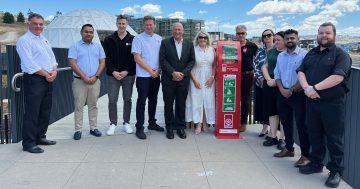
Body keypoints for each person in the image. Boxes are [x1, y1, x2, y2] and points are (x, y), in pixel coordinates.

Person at [298, 22, 351, 188]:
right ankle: (316, 163)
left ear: (334, 35)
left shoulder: (341, 54)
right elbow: (301, 71)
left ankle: (335, 171)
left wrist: (314, 88)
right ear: (317, 35)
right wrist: (307, 88)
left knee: (334, 139)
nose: (324, 36)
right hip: (312, 102)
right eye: (321, 33)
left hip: (332, 104)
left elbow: (338, 77)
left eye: (327, 33)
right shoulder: (311, 53)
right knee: (315, 134)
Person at [16, 13, 58, 153]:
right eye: (35, 24)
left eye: (41, 24)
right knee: (32, 112)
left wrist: (54, 70)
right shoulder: (24, 41)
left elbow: (52, 58)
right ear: (29, 24)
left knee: (45, 110)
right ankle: (28, 143)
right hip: (34, 79)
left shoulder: (43, 39)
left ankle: (40, 137)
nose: (38, 26)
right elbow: (29, 63)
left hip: (47, 78)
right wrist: (46, 74)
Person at [272, 29, 310, 168]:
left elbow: (306, 75)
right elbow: (277, 74)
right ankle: (289, 148)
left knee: (302, 125)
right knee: (286, 123)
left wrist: (292, 89)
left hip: (298, 94)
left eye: (292, 38)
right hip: (282, 94)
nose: (289, 41)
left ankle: (305, 155)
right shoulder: (281, 56)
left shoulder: (304, 55)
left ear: (297, 39)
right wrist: (282, 89)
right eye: (287, 38)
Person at [68, 24, 106, 140]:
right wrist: (84, 76)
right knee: (79, 106)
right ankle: (78, 130)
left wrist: (96, 76)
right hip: (80, 81)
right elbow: (72, 63)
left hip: (95, 81)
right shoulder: (75, 46)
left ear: (93, 34)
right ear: (81, 33)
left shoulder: (98, 46)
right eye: (86, 32)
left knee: (93, 105)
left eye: (91, 32)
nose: (88, 34)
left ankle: (93, 128)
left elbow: (102, 62)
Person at [160, 22, 195, 139]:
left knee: (181, 104)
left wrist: (183, 73)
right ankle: (169, 128)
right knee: (168, 105)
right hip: (168, 80)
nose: (177, 32)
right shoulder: (165, 43)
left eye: (179, 29)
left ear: (183, 31)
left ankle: (180, 127)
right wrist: (173, 73)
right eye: (175, 29)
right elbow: (162, 60)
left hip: (183, 80)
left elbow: (192, 61)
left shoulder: (189, 44)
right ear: (172, 31)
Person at [131, 15, 164, 140]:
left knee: (153, 100)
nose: (149, 27)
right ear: (143, 26)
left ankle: (152, 123)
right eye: (147, 25)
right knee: (141, 101)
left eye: (151, 24)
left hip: (156, 75)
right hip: (143, 76)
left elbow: (162, 57)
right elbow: (137, 58)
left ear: (154, 25)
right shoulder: (138, 39)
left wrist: (159, 70)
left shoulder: (159, 39)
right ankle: (139, 127)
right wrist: (151, 71)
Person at [103, 15, 136, 135]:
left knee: (127, 99)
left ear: (126, 24)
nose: (121, 25)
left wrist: (127, 71)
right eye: (119, 23)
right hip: (113, 75)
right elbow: (106, 58)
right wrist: (113, 71)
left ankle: (126, 122)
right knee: (112, 100)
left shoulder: (133, 39)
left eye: (123, 23)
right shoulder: (108, 39)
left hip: (129, 75)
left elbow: (135, 59)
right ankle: (113, 123)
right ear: (116, 24)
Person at [185, 30, 216, 135]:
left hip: (209, 78)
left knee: (207, 99)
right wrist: (194, 80)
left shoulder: (212, 49)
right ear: (197, 39)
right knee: (197, 100)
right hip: (196, 77)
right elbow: (189, 66)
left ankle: (205, 123)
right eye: (200, 37)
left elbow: (214, 65)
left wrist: (212, 77)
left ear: (208, 39)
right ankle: (198, 124)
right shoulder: (192, 49)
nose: (203, 39)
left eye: (205, 37)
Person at [261, 31, 286, 150]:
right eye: (275, 40)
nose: (275, 42)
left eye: (278, 40)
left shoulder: (288, 53)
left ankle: (283, 138)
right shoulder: (271, 51)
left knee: (283, 112)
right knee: (272, 111)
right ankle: (272, 135)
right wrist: (268, 79)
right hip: (269, 83)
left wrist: (275, 81)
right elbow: (264, 66)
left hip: (282, 84)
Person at [235, 25, 258, 132]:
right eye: (238, 33)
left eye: (242, 33)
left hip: (247, 75)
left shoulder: (252, 46)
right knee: (233, 99)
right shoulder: (233, 45)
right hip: (234, 75)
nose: (241, 35)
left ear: (246, 34)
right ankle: (234, 121)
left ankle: (243, 123)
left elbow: (258, 61)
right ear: (236, 34)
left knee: (245, 100)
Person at [253, 29, 273, 137]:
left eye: (269, 35)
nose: (267, 37)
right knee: (262, 106)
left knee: (272, 107)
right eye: (264, 36)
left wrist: (269, 80)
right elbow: (256, 65)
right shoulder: (260, 51)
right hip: (260, 82)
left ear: (273, 36)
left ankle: (272, 130)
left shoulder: (278, 50)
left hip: (273, 82)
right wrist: (260, 79)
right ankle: (264, 127)